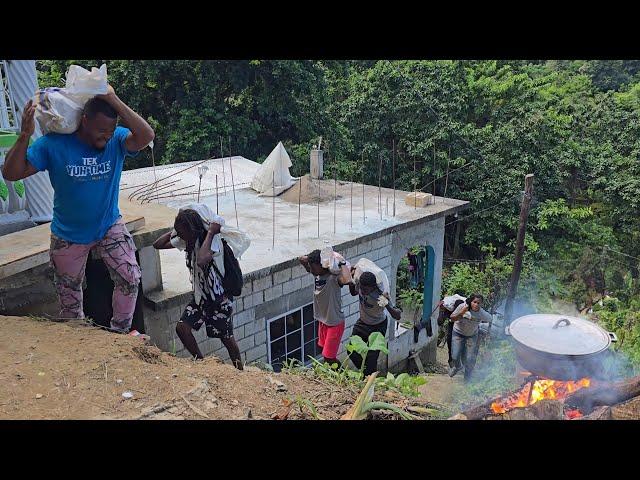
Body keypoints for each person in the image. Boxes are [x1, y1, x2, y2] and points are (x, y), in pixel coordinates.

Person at [2, 86, 154, 335]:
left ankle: (120, 335)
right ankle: (80, 341)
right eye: (100, 131)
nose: (106, 137)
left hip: (108, 225)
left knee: (130, 277)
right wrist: (24, 136)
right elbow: (11, 173)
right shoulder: (54, 145)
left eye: (110, 131)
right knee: (70, 301)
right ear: (84, 121)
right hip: (68, 234)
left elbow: (146, 135)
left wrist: (113, 99)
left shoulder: (116, 140)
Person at [153, 209, 243, 369]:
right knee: (182, 328)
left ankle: (240, 371)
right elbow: (157, 244)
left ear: (193, 231)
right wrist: (175, 231)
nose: (180, 238)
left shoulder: (213, 243)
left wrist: (210, 232)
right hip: (201, 298)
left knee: (227, 338)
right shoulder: (188, 240)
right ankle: (201, 363)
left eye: (183, 233)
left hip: (220, 299)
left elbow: (202, 259)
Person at [299, 249, 352, 366]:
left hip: (334, 323)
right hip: (323, 322)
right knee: (322, 351)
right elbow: (301, 259)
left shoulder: (333, 278)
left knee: (329, 357)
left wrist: (341, 262)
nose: (311, 270)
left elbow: (348, 280)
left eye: (313, 267)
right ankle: (331, 375)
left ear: (322, 265)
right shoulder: (318, 275)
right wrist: (312, 259)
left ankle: (344, 377)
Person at [348, 270, 402, 376]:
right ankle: (365, 372)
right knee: (351, 350)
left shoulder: (379, 296)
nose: (362, 291)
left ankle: (370, 379)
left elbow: (397, 315)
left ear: (373, 287)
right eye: (362, 289)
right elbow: (353, 292)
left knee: (371, 359)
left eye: (366, 290)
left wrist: (386, 304)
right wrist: (350, 281)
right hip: (363, 323)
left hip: (378, 326)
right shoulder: (360, 285)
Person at [448, 293, 492, 381]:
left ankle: (467, 379)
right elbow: (452, 318)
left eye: (479, 303)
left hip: (472, 336)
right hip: (458, 333)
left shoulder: (481, 313)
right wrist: (461, 313)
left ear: (481, 304)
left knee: (469, 358)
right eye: (474, 302)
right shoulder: (462, 307)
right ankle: (457, 367)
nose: (476, 305)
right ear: (470, 302)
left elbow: (490, 318)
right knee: (455, 356)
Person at [437, 293, 467, 368]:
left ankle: (463, 362)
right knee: (450, 340)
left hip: (463, 325)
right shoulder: (447, 305)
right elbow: (440, 321)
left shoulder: (466, 308)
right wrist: (441, 311)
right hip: (452, 323)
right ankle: (451, 360)